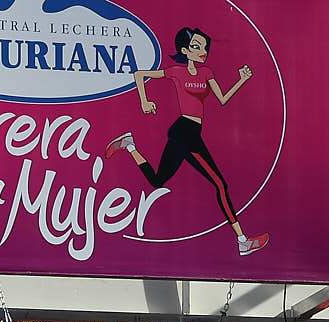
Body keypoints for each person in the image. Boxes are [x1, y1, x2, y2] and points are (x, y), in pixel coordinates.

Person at [109, 26, 269, 257]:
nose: (202, 51)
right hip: (185, 132)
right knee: (220, 185)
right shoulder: (176, 72)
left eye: (204, 47)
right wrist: (145, 101)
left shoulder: (207, 73)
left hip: (190, 132)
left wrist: (241, 80)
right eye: (196, 47)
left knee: (157, 181)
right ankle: (242, 241)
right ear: (185, 50)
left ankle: (129, 145)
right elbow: (139, 75)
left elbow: (223, 99)